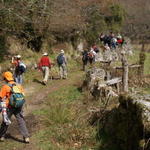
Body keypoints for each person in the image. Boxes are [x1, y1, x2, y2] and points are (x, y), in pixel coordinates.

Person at [0, 71, 29, 143]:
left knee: (5, 121)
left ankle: (2, 136)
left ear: (6, 79)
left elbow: (0, 97)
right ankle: (26, 137)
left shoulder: (5, 87)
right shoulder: (19, 85)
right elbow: (23, 95)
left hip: (9, 107)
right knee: (21, 120)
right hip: (19, 106)